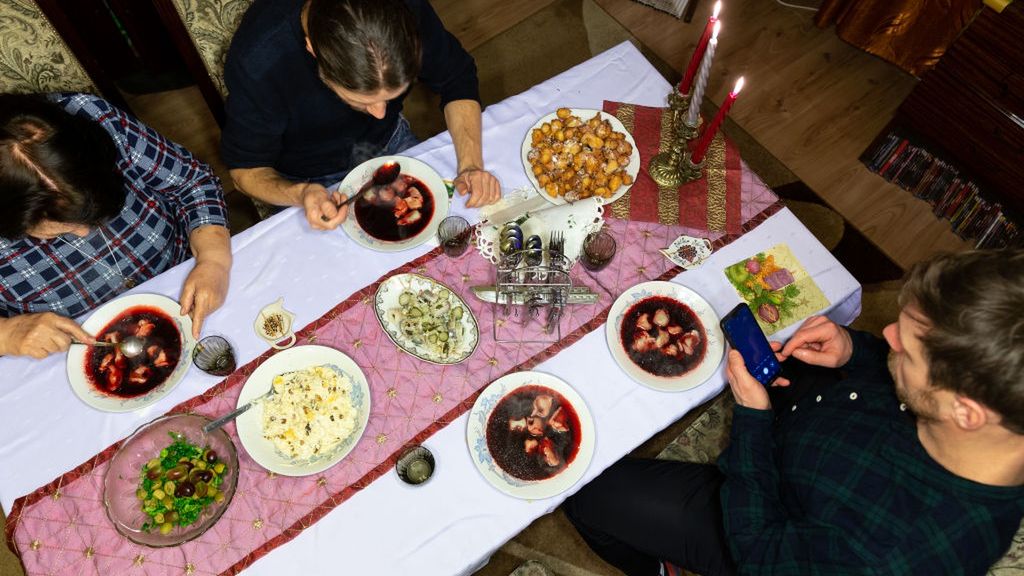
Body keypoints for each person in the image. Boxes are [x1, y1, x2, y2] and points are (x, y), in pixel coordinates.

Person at [564, 249, 1024, 575]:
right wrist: (855, 353)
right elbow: (893, 378)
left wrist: (753, 420)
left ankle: (662, 567)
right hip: (813, 426)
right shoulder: (985, 408)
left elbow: (759, 550)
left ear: (966, 412)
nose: (886, 332)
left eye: (907, 349)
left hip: (764, 514)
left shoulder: (890, 557)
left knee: (585, 494)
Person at [222, 0, 501, 231]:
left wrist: (470, 165)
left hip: (392, 141)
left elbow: (456, 77)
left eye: (389, 98)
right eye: (360, 101)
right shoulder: (259, 60)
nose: (380, 113)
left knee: (461, 226)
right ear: (312, 50)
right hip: (305, 178)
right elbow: (246, 170)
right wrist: (301, 194)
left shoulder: (401, 10)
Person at [0, 93, 232, 358]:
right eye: (57, 227)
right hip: (68, 348)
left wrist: (214, 260)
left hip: (187, 278)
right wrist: (7, 334)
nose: (84, 232)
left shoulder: (91, 115)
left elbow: (192, 182)